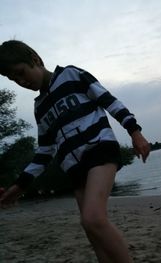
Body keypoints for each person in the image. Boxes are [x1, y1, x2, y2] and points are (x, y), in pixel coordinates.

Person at [0, 40, 151, 263]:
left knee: (93, 219)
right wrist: (19, 186)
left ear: (34, 58)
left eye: (21, 73)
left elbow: (109, 101)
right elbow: (45, 151)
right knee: (91, 230)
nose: (21, 81)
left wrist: (134, 131)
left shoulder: (71, 75)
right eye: (14, 79)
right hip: (73, 167)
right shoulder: (39, 107)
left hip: (99, 148)